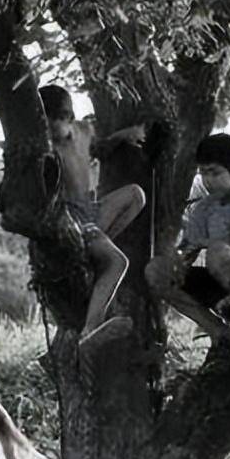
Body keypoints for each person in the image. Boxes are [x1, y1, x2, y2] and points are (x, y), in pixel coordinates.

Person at [144, 132, 230, 342]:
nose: (208, 180)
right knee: (156, 270)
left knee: (218, 251)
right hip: (217, 281)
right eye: (204, 173)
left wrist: (214, 246)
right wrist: (176, 262)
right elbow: (189, 248)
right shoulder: (204, 208)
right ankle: (218, 331)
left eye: (215, 173)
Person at [39, 84, 147, 348]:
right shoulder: (44, 151)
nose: (50, 132)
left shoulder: (84, 131)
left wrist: (127, 135)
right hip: (71, 217)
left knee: (135, 194)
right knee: (117, 262)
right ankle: (91, 329)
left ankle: (94, 248)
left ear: (68, 119)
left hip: (91, 208)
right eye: (44, 124)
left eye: (54, 124)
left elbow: (100, 147)